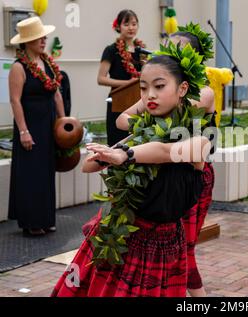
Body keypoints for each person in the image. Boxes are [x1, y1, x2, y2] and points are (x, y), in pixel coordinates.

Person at [51, 42, 212, 297]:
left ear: (182, 89)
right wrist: (109, 154)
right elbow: (88, 166)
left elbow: (165, 152)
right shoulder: (139, 136)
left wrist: (124, 155)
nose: (150, 95)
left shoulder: (198, 142)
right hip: (123, 237)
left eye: (159, 87)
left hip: (163, 247)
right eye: (144, 88)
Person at [116, 23, 216, 297]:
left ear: (194, 60)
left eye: (178, 51)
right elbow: (122, 119)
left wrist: (145, 120)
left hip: (191, 173)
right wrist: (146, 120)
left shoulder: (204, 92)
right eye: (167, 49)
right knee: (161, 243)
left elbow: (169, 119)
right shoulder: (158, 93)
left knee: (184, 245)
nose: (170, 55)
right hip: (157, 169)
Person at [8, 17, 65, 236]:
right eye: (38, 38)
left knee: (46, 171)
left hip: (49, 123)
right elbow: (15, 100)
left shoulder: (48, 63)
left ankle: (46, 218)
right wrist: (23, 131)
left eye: (44, 37)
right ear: (27, 42)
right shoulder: (18, 67)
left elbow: (56, 93)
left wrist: (64, 122)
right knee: (31, 172)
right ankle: (31, 221)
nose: (43, 40)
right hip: (30, 123)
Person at [97, 9, 147, 146]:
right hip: (117, 102)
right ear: (118, 27)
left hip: (138, 102)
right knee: (117, 144)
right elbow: (101, 79)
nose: (131, 28)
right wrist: (127, 83)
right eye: (126, 24)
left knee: (138, 143)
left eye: (134, 24)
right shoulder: (111, 50)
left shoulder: (142, 51)